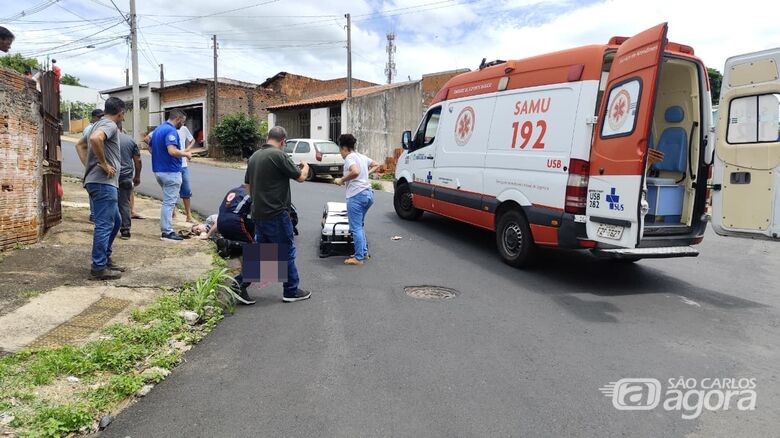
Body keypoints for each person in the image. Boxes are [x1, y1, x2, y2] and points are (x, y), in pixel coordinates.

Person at [244, 126, 311, 303]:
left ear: (268, 137)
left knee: (263, 253)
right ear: (283, 142)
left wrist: (257, 201)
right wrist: (305, 166)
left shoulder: (254, 157)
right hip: (276, 213)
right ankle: (291, 291)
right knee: (285, 251)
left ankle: (238, 286)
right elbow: (300, 177)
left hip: (259, 212)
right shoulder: (279, 155)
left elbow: (247, 186)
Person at [74, 97, 126, 280]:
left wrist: (89, 167)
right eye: (123, 114)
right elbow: (96, 140)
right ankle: (98, 267)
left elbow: (79, 145)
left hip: (98, 182)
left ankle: (105, 258)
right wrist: (102, 164)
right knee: (104, 225)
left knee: (117, 221)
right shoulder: (110, 125)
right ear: (120, 113)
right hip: (103, 184)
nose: (123, 117)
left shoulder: (96, 124)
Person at [334, 134, 381, 266]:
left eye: (340, 150)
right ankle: (364, 253)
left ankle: (358, 258)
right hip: (368, 194)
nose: (340, 153)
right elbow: (377, 164)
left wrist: (341, 180)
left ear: (344, 148)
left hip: (356, 196)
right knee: (359, 225)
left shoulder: (349, 158)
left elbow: (355, 171)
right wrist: (366, 173)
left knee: (355, 228)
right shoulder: (361, 156)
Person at [149, 109, 191, 241]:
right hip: (170, 172)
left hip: (159, 171)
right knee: (168, 203)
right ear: (178, 118)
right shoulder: (171, 131)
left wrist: (159, 158)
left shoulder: (158, 130)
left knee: (167, 202)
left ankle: (167, 229)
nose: (182, 125)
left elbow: (150, 147)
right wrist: (186, 154)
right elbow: (172, 151)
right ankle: (167, 232)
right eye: (182, 122)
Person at [118, 126, 141, 239]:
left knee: (107, 202)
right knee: (124, 203)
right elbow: (138, 160)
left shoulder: (104, 139)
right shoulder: (130, 140)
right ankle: (125, 230)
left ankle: (107, 227)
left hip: (108, 175)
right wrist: (137, 176)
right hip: (126, 176)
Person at [82, 109, 105, 223]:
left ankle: (96, 214)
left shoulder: (100, 127)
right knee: (95, 190)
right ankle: (94, 214)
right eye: (99, 116)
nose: (101, 118)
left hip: (98, 164)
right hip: (97, 165)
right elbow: (83, 145)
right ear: (94, 117)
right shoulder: (90, 129)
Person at [177, 120, 196, 223]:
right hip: (172, 166)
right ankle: (172, 213)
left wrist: (187, 150)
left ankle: (189, 216)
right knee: (172, 191)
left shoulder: (183, 129)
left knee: (186, 190)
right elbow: (148, 138)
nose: (183, 123)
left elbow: (192, 140)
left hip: (183, 165)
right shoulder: (167, 129)